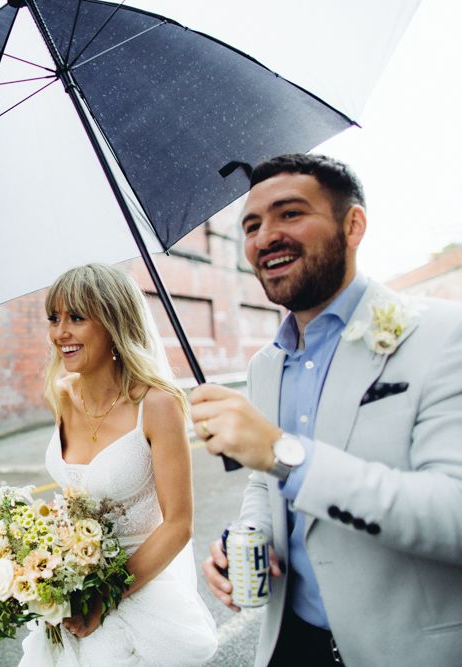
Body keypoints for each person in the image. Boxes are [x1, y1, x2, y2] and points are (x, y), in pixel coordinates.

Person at [191, 154, 462, 667]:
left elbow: (454, 514)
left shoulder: (444, 335)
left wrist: (282, 454)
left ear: (352, 225)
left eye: (289, 214)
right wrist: (248, 538)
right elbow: (263, 482)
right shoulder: (265, 366)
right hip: (290, 644)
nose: (265, 236)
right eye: (251, 225)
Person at [20, 263, 218, 666]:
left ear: (114, 322)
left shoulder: (157, 405)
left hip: (141, 587)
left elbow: (178, 524)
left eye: (77, 317)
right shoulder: (60, 398)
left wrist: (103, 597)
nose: (61, 333)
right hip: (73, 592)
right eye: (54, 318)